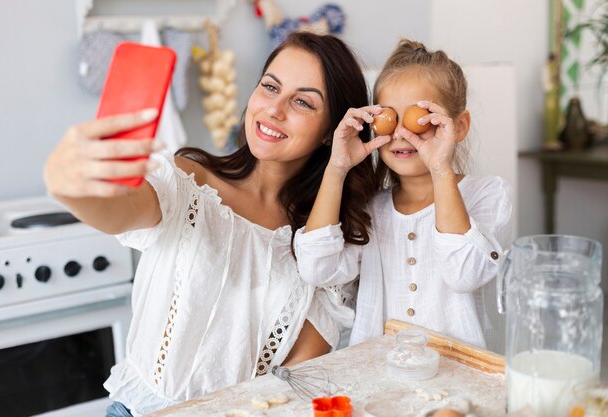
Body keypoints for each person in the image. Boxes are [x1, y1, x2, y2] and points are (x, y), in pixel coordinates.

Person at [44, 32, 379, 417]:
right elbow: (121, 209)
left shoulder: (323, 243)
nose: (274, 109)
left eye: (302, 101)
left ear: (330, 132)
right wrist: (71, 188)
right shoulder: (188, 181)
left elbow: (295, 376)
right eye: (270, 87)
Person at [294, 39, 513, 353]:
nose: (399, 133)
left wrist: (440, 168)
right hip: (380, 376)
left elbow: (464, 273)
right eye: (388, 117)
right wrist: (337, 167)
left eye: (418, 118)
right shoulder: (373, 208)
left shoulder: (489, 194)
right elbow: (317, 268)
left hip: (460, 378)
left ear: (459, 126)